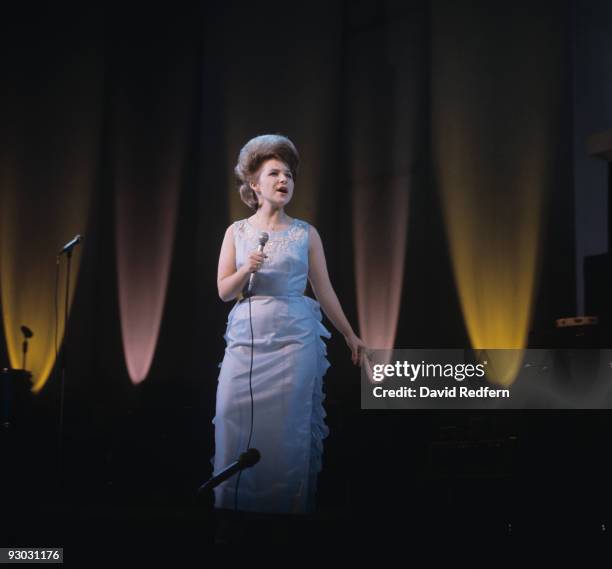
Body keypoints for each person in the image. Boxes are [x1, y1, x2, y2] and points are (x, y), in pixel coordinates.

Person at [212, 134, 366, 517]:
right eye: (274, 173)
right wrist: (247, 267)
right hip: (248, 341)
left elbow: (324, 290)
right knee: (233, 417)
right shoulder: (236, 232)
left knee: (290, 429)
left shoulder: (305, 233)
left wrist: (349, 333)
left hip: (294, 341)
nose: (284, 180)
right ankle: (231, 513)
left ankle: (288, 516)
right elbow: (223, 292)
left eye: (289, 175)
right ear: (254, 184)